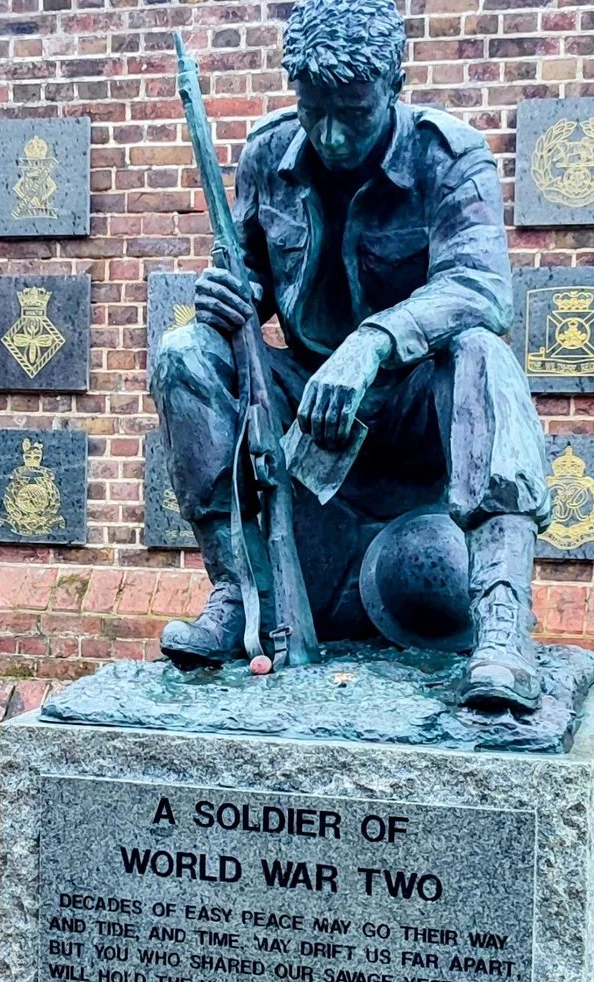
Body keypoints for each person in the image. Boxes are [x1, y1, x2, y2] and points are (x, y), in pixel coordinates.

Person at [150, 0, 551, 710]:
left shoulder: (449, 158)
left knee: (482, 354)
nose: (332, 136)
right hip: (306, 405)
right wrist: (227, 299)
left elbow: (483, 289)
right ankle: (238, 591)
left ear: (395, 84)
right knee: (184, 354)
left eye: (354, 114)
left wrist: (374, 342)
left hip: (408, 406)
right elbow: (251, 285)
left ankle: (500, 624)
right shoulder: (268, 159)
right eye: (314, 111)